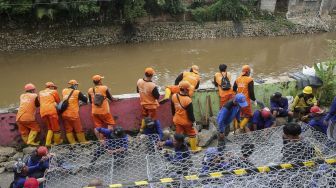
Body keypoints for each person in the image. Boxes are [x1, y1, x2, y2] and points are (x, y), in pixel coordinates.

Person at [171, 81, 201, 152]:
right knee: (192, 134)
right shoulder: (188, 100)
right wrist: (193, 122)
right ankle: (194, 149)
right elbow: (190, 114)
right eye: (188, 89)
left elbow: (172, 109)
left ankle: (177, 149)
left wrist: (174, 117)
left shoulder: (174, 96)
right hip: (186, 121)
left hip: (177, 120)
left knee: (178, 135)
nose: (189, 90)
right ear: (185, 89)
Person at [61, 80, 88, 144]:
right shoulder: (77, 92)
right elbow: (85, 100)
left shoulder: (64, 90)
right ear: (74, 85)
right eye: (76, 85)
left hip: (64, 113)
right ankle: (83, 142)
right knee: (78, 129)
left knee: (68, 129)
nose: (77, 86)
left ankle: (72, 143)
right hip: (73, 114)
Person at [233, 65, 256, 132]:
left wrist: (237, 95)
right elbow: (251, 92)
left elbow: (234, 89)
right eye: (249, 72)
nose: (250, 73)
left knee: (238, 115)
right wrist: (254, 99)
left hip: (238, 101)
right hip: (245, 102)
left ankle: (236, 129)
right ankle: (241, 126)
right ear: (247, 72)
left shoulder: (237, 79)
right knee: (248, 115)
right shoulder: (250, 80)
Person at [39, 82, 61, 146]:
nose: (54, 88)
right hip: (51, 111)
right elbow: (58, 102)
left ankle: (48, 143)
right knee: (56, 128)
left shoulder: (40, 92)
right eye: (53, 87)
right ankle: (57, 142)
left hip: (43, 112)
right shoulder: (54, 92)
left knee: (50, 128)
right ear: (51, 87)